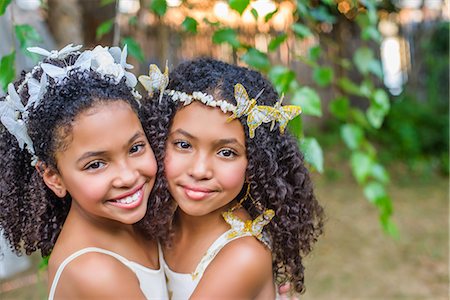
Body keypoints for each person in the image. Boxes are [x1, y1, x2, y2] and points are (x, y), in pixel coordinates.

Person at [139, 58, 324, 299]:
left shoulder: (242, 256)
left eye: (226, 152)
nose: (200, 170)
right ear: (159, 139)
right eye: (184, 145)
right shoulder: (161, 219)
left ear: (256, 164)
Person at [0, 44, 172, 299]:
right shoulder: (95, 272)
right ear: (53, 178)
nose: (127, 176)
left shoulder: (142, 223)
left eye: (135, 148)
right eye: (96, 164)